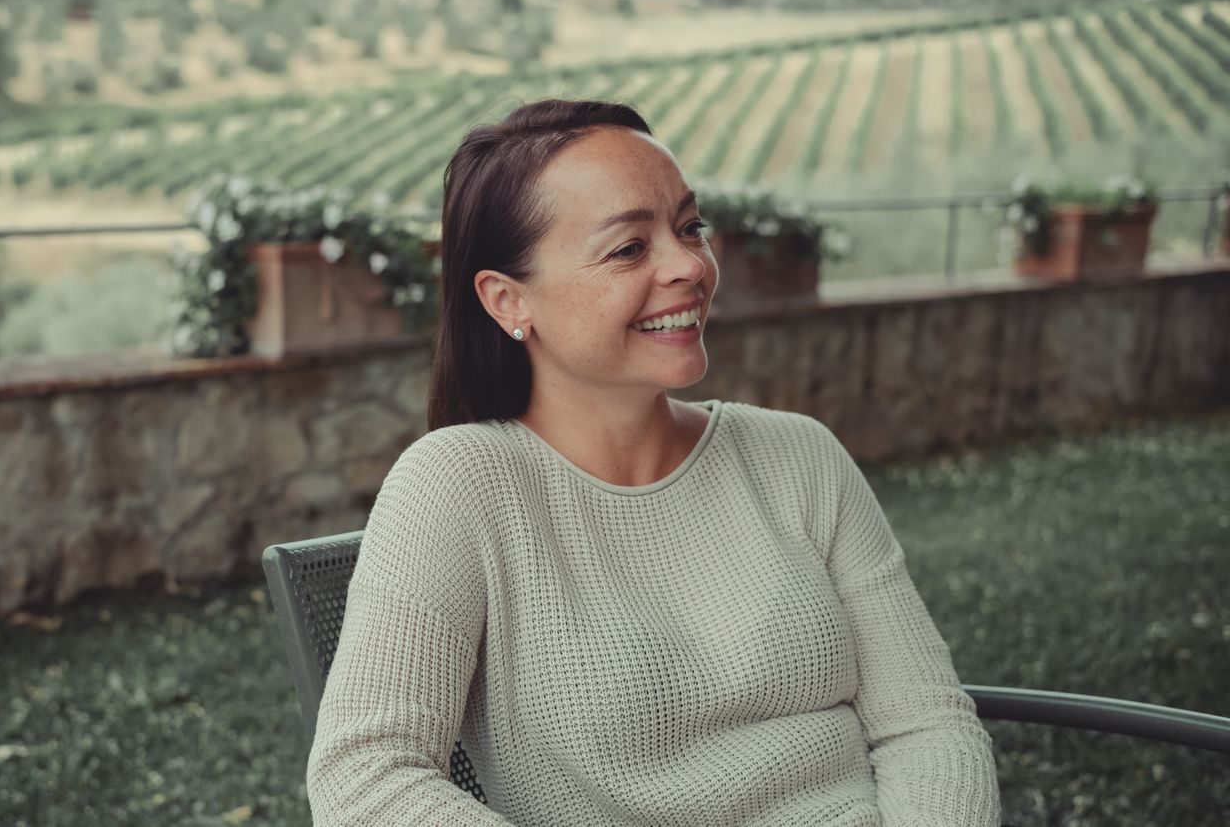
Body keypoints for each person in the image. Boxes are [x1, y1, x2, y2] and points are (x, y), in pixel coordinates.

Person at [305, 98, 1003, 826]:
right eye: (629, 248)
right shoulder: (459, 486)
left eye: (688, 226)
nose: (690, 266)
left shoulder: (800, 457)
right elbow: (367, 780)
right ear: (509, 299)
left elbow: (926, 723)